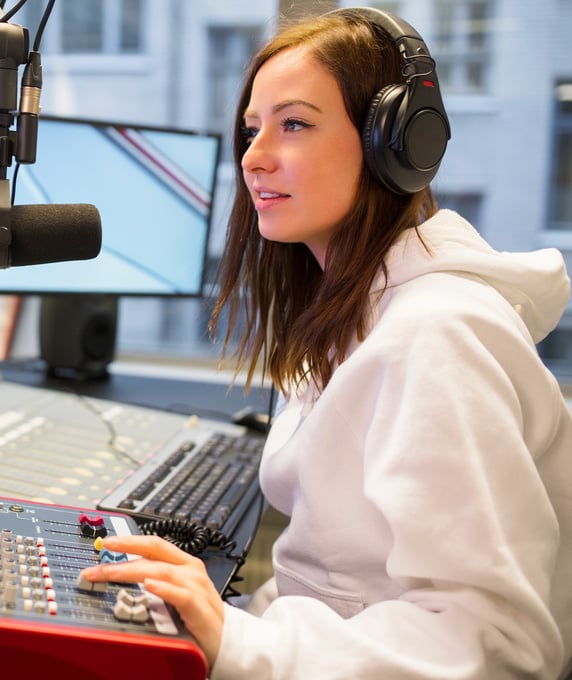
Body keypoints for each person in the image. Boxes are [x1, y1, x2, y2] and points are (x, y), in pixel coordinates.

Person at [78, 7, 572, 679]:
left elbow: (496, 650)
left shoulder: (438, 334)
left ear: (395, 146)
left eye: (295, 124)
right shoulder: (353, 313)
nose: (254, 157)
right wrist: (234, 621)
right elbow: (336, 588)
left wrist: (236, 638)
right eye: (253, 129)